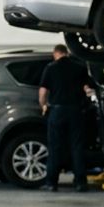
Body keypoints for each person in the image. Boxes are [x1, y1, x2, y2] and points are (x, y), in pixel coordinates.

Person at [38, 43, 98, 192]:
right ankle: (80, 183)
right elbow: (89, 87)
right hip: (76, 111)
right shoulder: (79, 67)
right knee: (77, 147)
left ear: (55, 54)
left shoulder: (50, 68)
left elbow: (43, 91)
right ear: (67, 53)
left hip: (57, 111)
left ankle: (51, 183)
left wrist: (44, 105)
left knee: (55, 147)